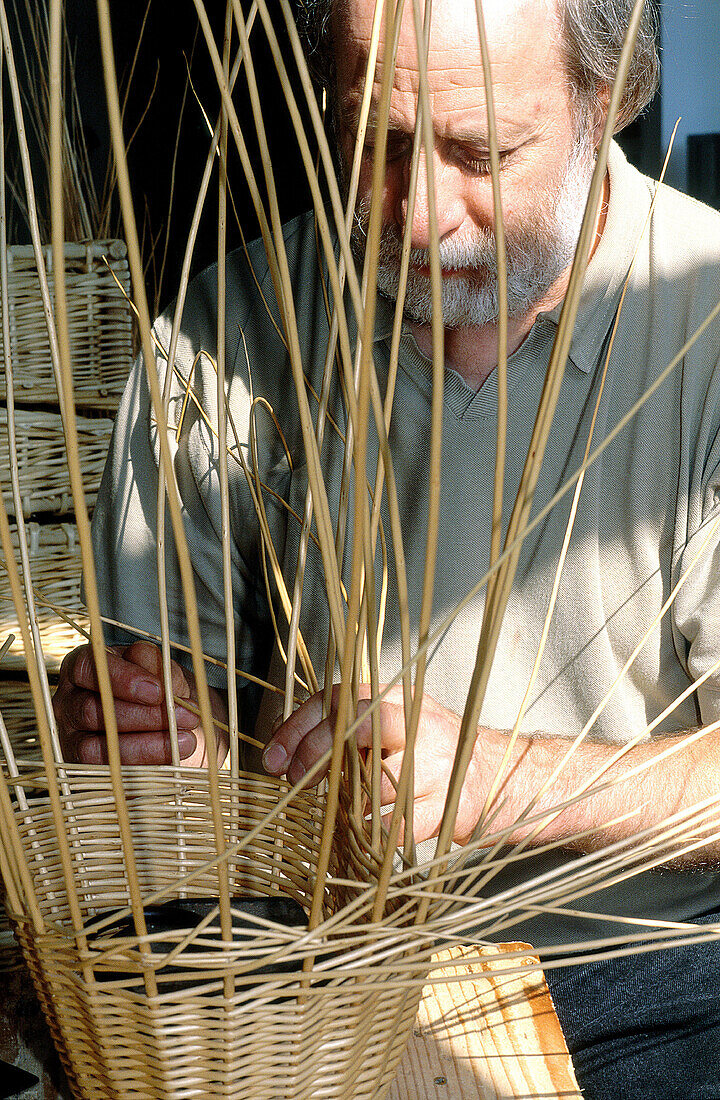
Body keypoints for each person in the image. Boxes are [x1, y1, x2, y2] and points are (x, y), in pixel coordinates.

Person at [53, 0, 720, 1094]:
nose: (418, 216)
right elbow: (185, 786)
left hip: (660, 982)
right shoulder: (223, 335)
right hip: (307, 969)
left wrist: (507, 783)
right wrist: (161, 746)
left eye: (479, 152)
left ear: (606, 104)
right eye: (381, 142)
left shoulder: (705, 315)